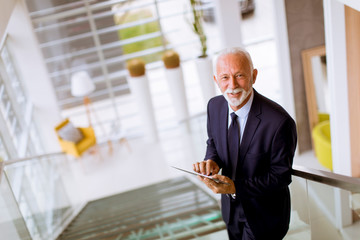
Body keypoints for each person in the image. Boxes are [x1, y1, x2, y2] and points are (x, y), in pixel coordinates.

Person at [193, 47, 297, 240]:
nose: (232, 85)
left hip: (264, 218)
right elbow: (213, 142)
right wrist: (211, 161)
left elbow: (281, 177)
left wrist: (234, 187)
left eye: (239, 75)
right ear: (216, 80)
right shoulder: (214, 106)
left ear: (254, 76)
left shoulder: (279, 122)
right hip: (230, 212)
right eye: (224, 77)